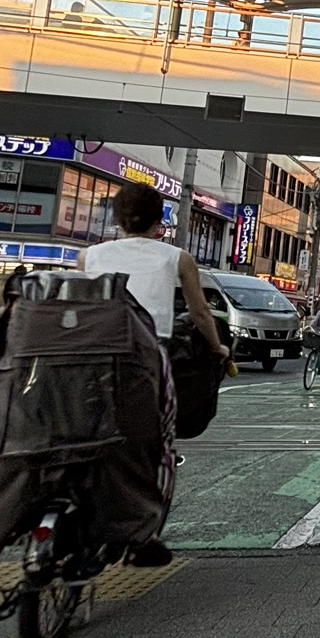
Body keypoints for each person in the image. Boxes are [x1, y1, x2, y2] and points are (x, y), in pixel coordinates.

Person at [82, 179, 231, 563]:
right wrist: (217, 347)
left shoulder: (89, 257)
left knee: (83, 431)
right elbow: (199, 313)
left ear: (117, 218)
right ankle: (140, 536)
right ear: (159, 218)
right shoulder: (176, 257)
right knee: (153, 442)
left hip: (88, 359)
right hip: (146, 360)